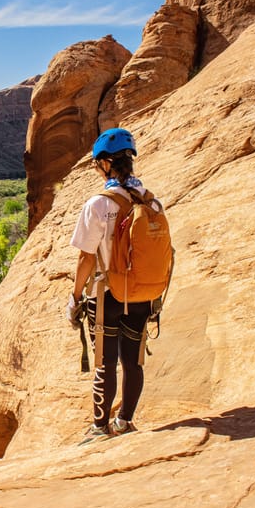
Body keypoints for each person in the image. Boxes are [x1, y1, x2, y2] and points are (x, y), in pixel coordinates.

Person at [66, 127, 155, 444]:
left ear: (105, 163)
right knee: (133, 360)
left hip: (106, 296)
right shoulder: (148, 200)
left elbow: (85, 259)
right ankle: (125, 421)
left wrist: (75, 298)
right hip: (142, 292)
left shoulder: (98, 204)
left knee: (105, 363)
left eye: (95, 163)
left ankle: (100, 429)